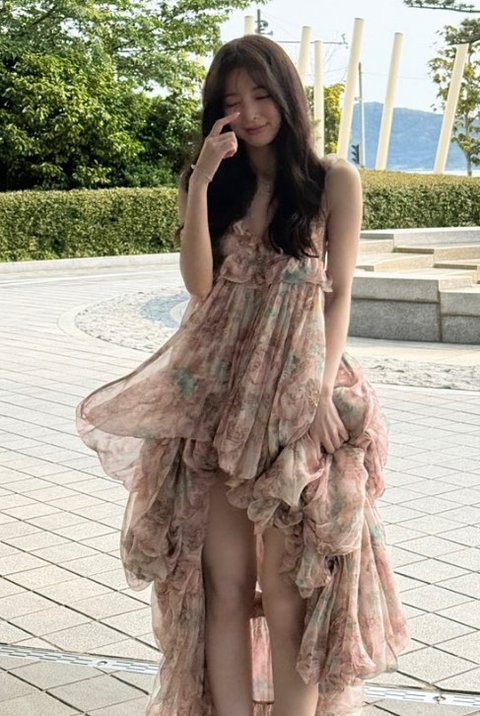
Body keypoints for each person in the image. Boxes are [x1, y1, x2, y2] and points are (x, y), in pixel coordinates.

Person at [76, 34, 409, 716]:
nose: (250, 112)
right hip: (217, 394)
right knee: (222, 585)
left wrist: (319, 390)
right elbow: (200, 286)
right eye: (232, 101)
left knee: (291, 588)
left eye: (261, 95)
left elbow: (339, 292)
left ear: (286, 97)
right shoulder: (213, 183)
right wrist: (199, 183)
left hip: (296, 390)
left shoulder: (332, 180)